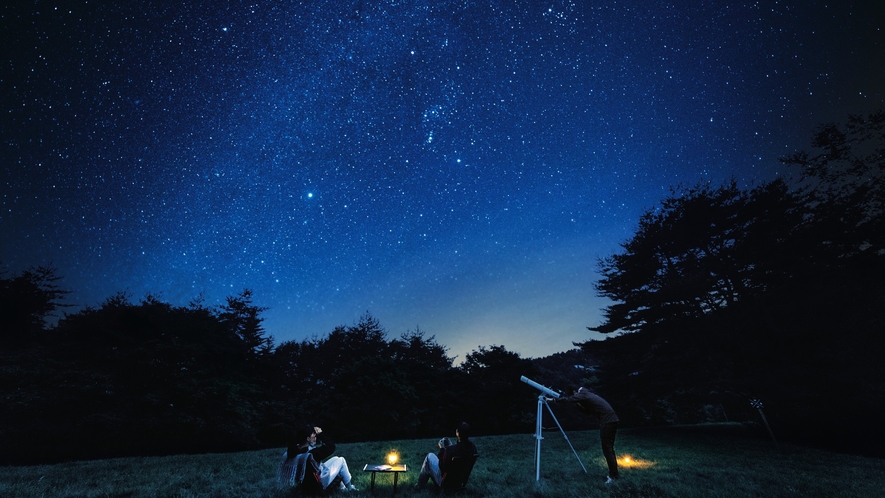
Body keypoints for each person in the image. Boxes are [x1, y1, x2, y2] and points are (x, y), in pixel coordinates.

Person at [550, 386, 620, 484]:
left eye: (574, 396)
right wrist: (577, 405)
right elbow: (588, 412)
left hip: (608, 421)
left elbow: (569, 399)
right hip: (611, 420)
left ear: (575, 392)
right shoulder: (586, 394)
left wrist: (553, 400)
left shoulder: (583, 393)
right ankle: (614, 474)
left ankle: (613, 476)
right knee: (609, 449)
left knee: (607, 449)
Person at [278, 425, 358, 492]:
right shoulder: (310, 454)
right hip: (318, 483)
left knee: (336, 458)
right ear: (308, 439)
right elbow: (331, 446)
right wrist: (321, 434)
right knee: (341, 460)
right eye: (313, 433)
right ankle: (350, 488)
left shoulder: (293, 451)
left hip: (305, 485)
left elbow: (293, 446)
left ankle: (343, 488)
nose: (315, 435)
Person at [417, 421, 478, 488]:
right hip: (459, 482)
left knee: (429, 456)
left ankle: (420, 485)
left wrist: (442, 449)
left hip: (445, 482)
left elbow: (442, 467)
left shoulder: (451, 450)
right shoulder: (473, 448)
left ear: (457, 433)